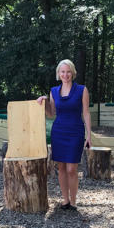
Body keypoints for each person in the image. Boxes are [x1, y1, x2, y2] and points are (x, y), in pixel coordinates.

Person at [37, 59, 92, 210]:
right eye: (63, 72)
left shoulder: (82, 90)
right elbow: (51, 113)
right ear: (58, 74)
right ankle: (65, 200)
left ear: (73, 73)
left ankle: (73, 201)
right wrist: (44, 101)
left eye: (68, 72)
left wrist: (89, 135)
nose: (65, 74)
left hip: (75, 132)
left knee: (71, 169)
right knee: (61, 168)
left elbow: (86, 113)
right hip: (58, 132)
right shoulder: (54, 91)